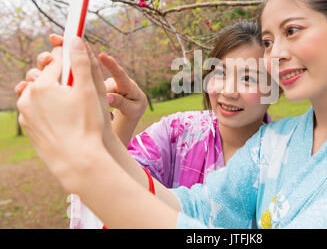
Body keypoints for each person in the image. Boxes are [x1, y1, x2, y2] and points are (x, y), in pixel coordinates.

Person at [16, 0, 327, 229]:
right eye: (268, 38)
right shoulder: (274, 143)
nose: (276, 53)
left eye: (292, 31)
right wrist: (100, 133)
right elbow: (197, 211)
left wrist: (81, 164)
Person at [15, 20, 273, 228]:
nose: (228, 91)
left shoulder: (284, 154)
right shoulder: (179, 130)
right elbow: (117, 182)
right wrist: (124, 118)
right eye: (220, 74)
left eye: (248, 78)